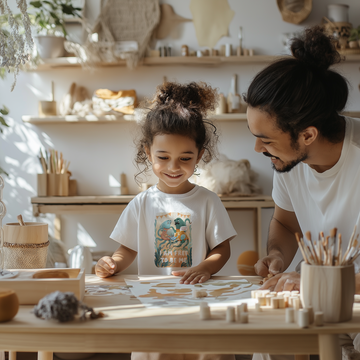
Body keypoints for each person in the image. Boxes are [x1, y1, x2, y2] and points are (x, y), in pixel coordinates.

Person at [95, 81, 237, 360]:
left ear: (200, 156)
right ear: (148, 153)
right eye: (163, 157)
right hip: (154, 303)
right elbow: (127, 250)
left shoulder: (209, 201)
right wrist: (111, 264)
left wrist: (206, 267)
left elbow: (222, 249)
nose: (174, 167)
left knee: (208, 352)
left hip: (198, 301)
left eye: (185, 158)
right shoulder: (142, 202)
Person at [244, 26, 360, 359]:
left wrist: (317, 281)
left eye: (266, 140)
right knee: (265, 346)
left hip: (353, 299)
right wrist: (279, 255)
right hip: (318, 297)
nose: (257, 148)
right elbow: (284, 222)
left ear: (307, 135)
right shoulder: (287, 161)